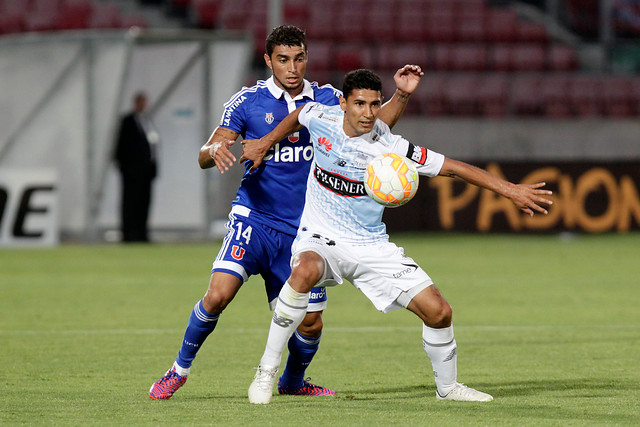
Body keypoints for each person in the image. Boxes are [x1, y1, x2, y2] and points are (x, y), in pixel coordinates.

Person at [243, 69, 553, 404]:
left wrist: (511, 190)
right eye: (360, 103)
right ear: (343, 103)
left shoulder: (391, 148)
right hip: (321, 238)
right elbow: (297, 115)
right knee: (304, 270)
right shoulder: (321, 116)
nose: (368, 112)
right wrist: (264, 142)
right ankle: (266, 372)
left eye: (375, 104)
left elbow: (452, 167)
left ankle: (447, 389)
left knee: (440, 312)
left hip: (371, 246)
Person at [148, 25, 424, 400]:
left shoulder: (329, 99)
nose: (292, 68)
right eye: (282, 60)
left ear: (306, 57)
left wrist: (401, 97)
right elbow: (205, 153)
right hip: (255, 218)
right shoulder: (247, 102)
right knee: (218, 295)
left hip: (304, 232)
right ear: (268, 61)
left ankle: (293, 382)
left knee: (310, 324)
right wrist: (215, 152)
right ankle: (178, 371)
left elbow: (375, 126)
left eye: (298, 58)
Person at [114, 91, 159, 243]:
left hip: (147, 173)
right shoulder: (127, 121)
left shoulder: (147, 121)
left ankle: (142, 234)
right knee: (129, 203)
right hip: (132, 173)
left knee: (144, 203)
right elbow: (121, 146)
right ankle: (128, 235)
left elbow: (152, 146)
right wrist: (125, 168)